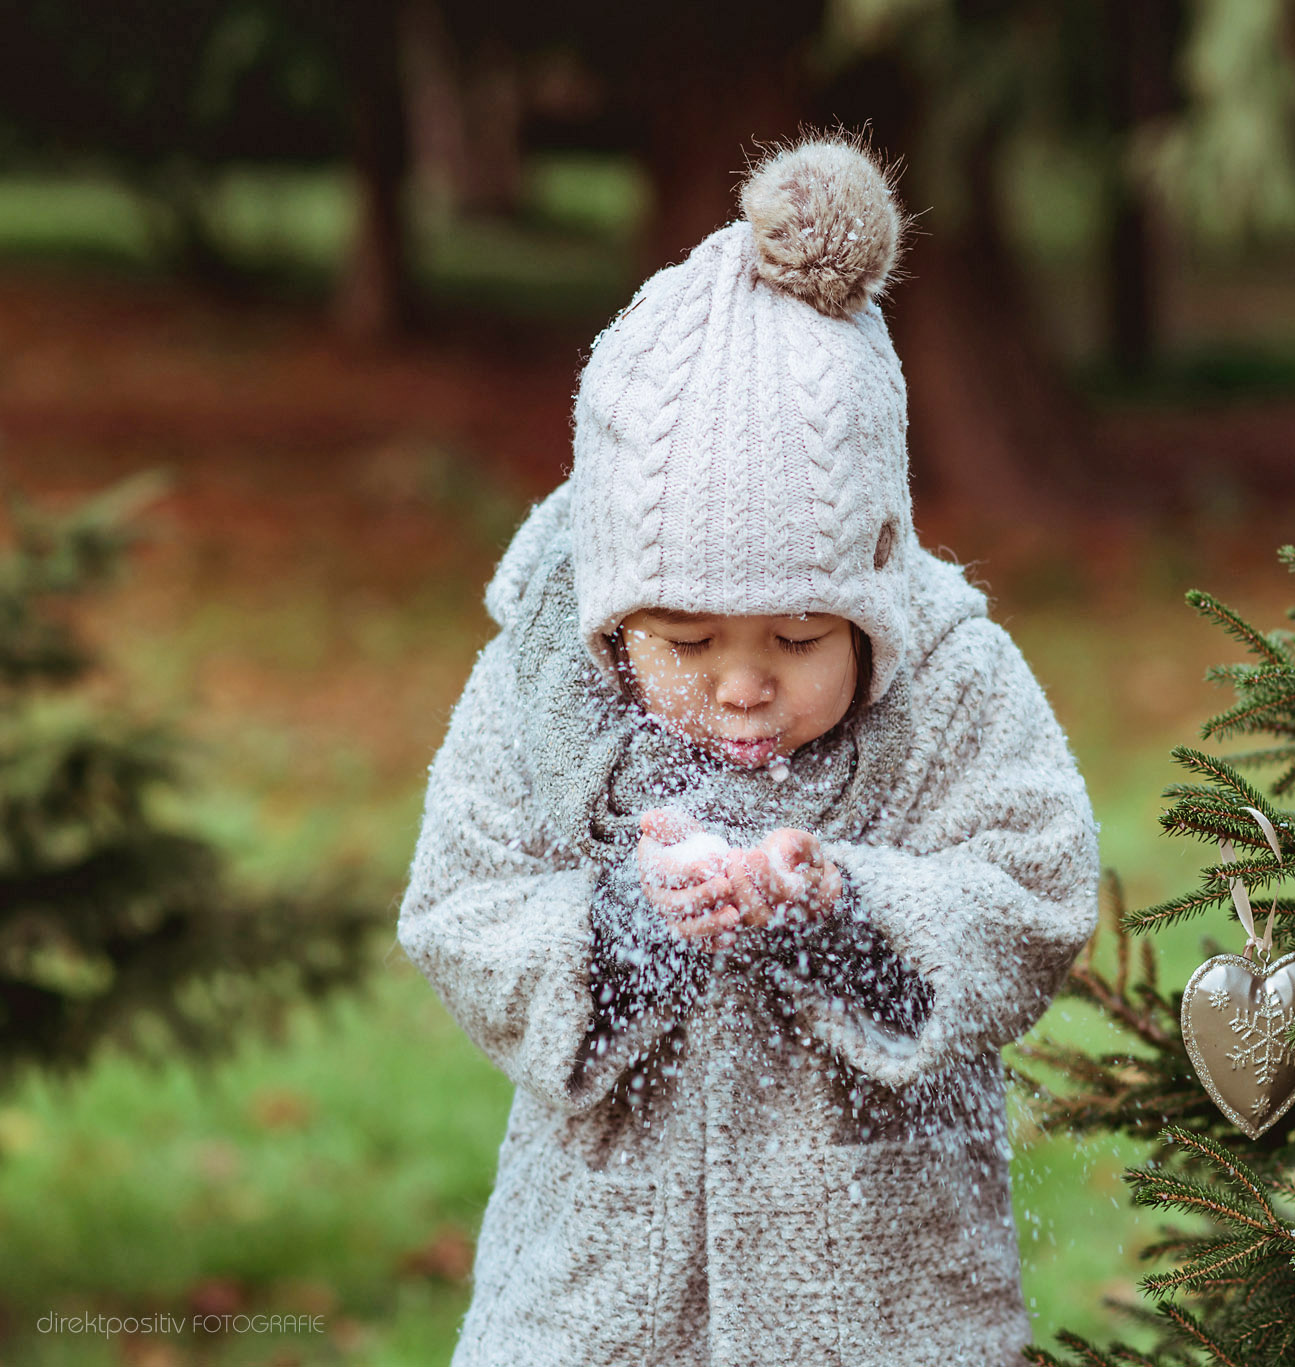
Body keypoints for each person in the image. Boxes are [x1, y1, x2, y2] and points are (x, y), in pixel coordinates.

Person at [396, 136, 1100, 1366]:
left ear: (873, 586)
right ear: (614, 619)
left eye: (794, 635)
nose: (738, 684)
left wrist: (840, 904)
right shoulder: (550, 687)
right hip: (603, 1289)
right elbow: (464, 904)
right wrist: (622, 925)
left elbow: (1034, 895)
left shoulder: (947, 684)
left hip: (880, 1295)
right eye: (684, 637)